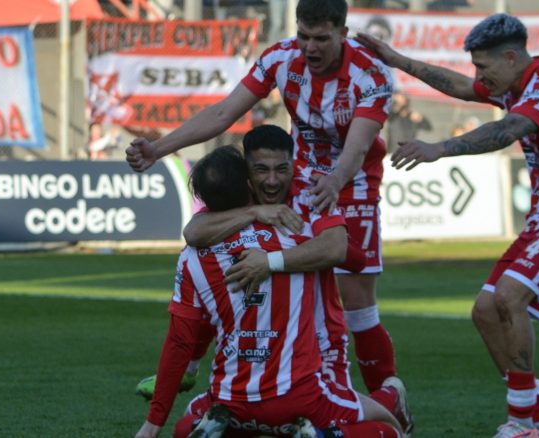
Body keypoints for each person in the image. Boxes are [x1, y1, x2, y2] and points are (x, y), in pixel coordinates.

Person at [357, 13, 539, 438]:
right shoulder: (516, 84)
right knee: (484, 311)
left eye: (483, 66)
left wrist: (440, 147)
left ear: (511, 57)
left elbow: (508, 131)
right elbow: (458, 86)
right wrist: (396, 60)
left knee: (509, 299)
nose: (478, 76)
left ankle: (522, 423)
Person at [127, 0, 399, 394]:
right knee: (233, 251)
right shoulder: (280, 58)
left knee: (357, 305)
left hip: (352, 183)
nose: (310, 48)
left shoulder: (370, 74)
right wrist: (158, 148)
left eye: (321, 39)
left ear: (343, 33)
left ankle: (389, 407)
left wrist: (335, 181)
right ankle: (190, 364)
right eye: (304, 37)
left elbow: (357, 149)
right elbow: (223, 114)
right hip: (293, 175)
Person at [134, 145, 408, 438]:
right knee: (389, 427)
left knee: (186, 425)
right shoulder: (295, 234)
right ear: (249, 185)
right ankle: (339, 427)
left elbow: (180, 340)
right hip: (300, 391)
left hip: (232, 397)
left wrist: (152, 426)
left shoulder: (191, 257)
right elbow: (353, 258)